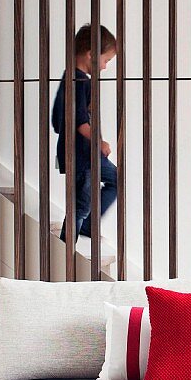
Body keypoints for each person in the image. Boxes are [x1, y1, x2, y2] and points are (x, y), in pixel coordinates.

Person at [52, 24, 118, 245]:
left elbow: (57, 120)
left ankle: (88, 225)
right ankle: (65, 245)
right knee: (81, 203)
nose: (105, 67)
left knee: (116, 180)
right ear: (91, 55)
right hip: (82, 154)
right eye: (106, 60)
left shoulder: (71, 78)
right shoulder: (79, 81)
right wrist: (99, 142)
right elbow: (78, 119)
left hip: (84, 153)